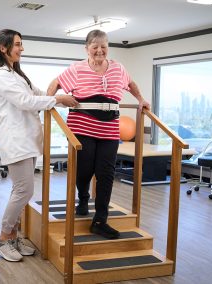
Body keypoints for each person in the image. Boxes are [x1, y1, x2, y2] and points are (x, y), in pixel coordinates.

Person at [47, 29, 151, 239]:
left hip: (109, 128)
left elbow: (130, 84)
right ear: (87, 49)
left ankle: (100, 220)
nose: (99, 50)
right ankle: (83, 197)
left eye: (103, 46)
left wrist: (141, 100)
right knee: (84, 169)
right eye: (95, 47)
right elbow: (56, 83)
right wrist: (48, 101)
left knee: (106, 172)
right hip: (81, 127)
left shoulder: (117, 68)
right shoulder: (77, 68)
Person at [0, 29, 78, 262]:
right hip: (16, 141)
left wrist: (59, 92)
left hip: (27, 140)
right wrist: (57, 99)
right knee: (24, 190)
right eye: (17, 44)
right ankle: (3, 238)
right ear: (3, 48)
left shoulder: (16, 74)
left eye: (21, 44)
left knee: (22, 190)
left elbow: (35, 93)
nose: (22, 48)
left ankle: (13, 236)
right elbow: (26, 101)